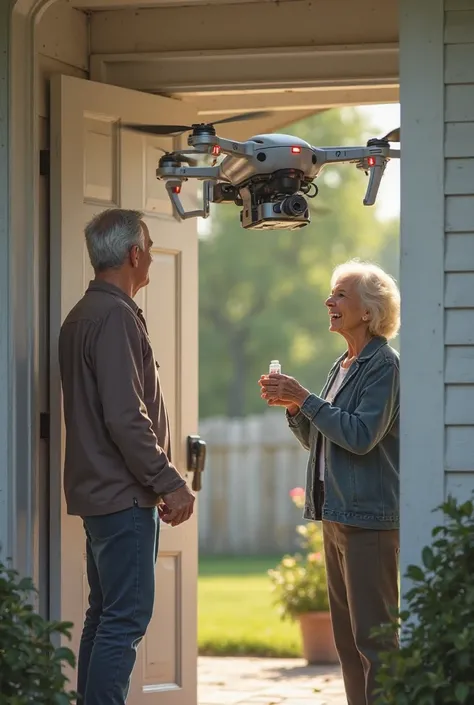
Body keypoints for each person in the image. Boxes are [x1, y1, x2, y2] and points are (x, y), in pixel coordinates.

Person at [58, 208, 195, 705]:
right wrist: (168, 482)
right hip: (122, 496)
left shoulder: (84, 313)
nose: (153, 255)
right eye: (151, 247)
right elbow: (124, 416)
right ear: (134, 254)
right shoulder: (113, 315)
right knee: (124, 620)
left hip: (100, 494)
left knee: (105, 615)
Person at [259, 259, 400, 705]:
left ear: (368, 310)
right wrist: (295, 408)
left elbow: (360, 436)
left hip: (370, 521)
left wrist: (306, 397)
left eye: (340, 294)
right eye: (331, 293)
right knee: (347, 644)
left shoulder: (384, 366)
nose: (329, 301)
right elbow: (319, 440)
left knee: (376, 645)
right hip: (337, 516)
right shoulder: (344, 364)